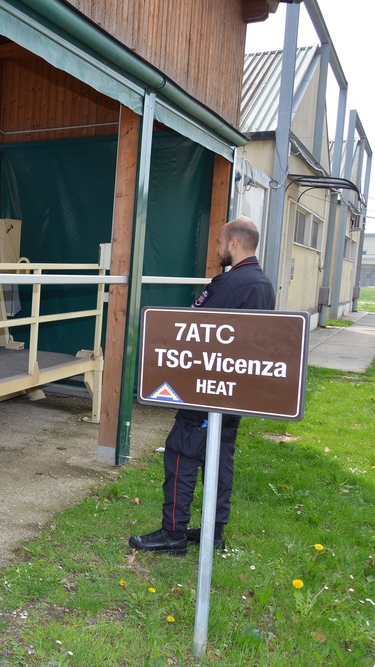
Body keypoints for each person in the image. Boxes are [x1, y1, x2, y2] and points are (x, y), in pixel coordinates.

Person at [128, 217, 275, 556]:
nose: (218, 248)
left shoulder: (228, 284)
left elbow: (194, 327)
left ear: (235, 244)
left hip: (208, 388)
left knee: (181, 452)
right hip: (237, 391)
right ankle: (214, 531)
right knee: (221, 456)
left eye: (221, 242)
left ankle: (173, 534)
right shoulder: (264, 284)